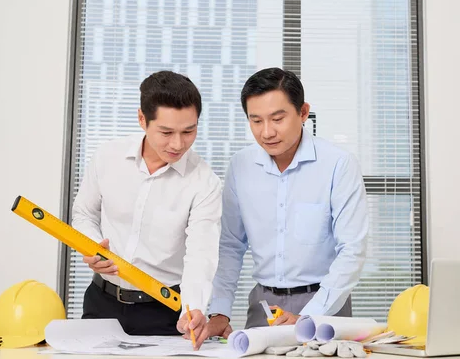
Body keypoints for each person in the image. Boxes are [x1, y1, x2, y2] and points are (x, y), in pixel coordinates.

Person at [195, 67, 369, 348]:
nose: (267, 132)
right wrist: (219, 310)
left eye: (278, 119)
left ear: (303, 113)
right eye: (256, 120)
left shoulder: (338, 164)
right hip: (264, 306)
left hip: (324, 306)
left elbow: (352, 250)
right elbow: (230, 246)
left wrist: (308, 316)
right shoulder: (241, 165)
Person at [72, 71, 222, 339]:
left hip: (163, 312)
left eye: (189, 131)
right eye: (166, 132)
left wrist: (194, 308)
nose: (178, 144)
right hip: (101, 302)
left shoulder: (205, 182)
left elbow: (201, 253)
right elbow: (84, 213)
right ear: (142, 119)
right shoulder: (108, 156)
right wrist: (93, 248)